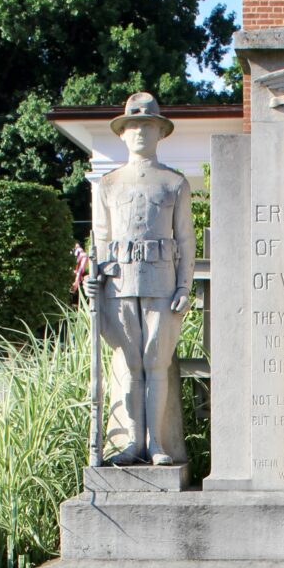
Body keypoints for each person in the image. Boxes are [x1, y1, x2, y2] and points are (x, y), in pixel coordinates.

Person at [84, 92, 194, 465]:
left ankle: (157, 443)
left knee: (155, 363)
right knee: (129, 364)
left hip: (162, 284)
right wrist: (94, 279)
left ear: (160, 131)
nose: (140, 132)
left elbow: (185, 239)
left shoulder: (174, 183)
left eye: (148, 125)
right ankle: (132, 442)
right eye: (133, 126)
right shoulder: (109, 184)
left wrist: (184, 285)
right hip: (119, 285)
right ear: (123, 134)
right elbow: (100, 238)